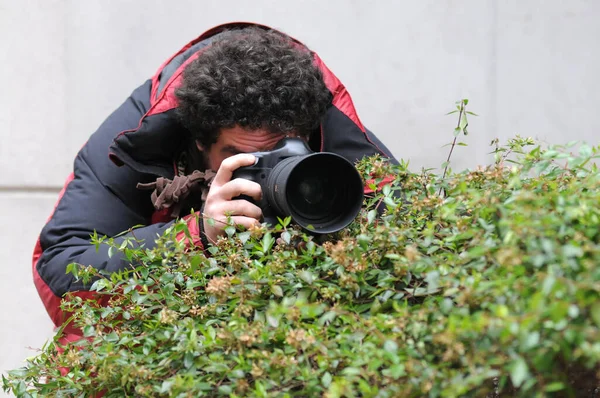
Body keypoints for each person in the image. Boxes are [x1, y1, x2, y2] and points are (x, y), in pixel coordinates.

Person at [32, 22, 398, 337]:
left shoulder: (329, 127)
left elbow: (418, 245)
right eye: (243, 157)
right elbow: (60, 274)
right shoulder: (139, 137)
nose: (268, 169)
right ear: (199, 142)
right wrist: (197, 236)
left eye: (282, 151)